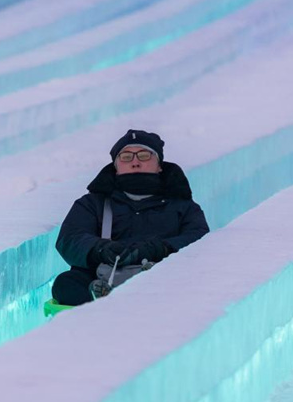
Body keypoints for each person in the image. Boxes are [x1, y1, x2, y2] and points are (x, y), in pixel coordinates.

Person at [52, 129, 209, 306]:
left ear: (159, 165)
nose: (135, 162)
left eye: (144, 155)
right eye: (126, 157)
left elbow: (200, 236)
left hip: (163, 275)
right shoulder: (93, 203)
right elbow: (70, 238)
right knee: (66, 284)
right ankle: (99, 301)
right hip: (103, 274)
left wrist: (162, 248)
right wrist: (100, 249)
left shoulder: (181, 205)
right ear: (116, 167)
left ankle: (119, 300)